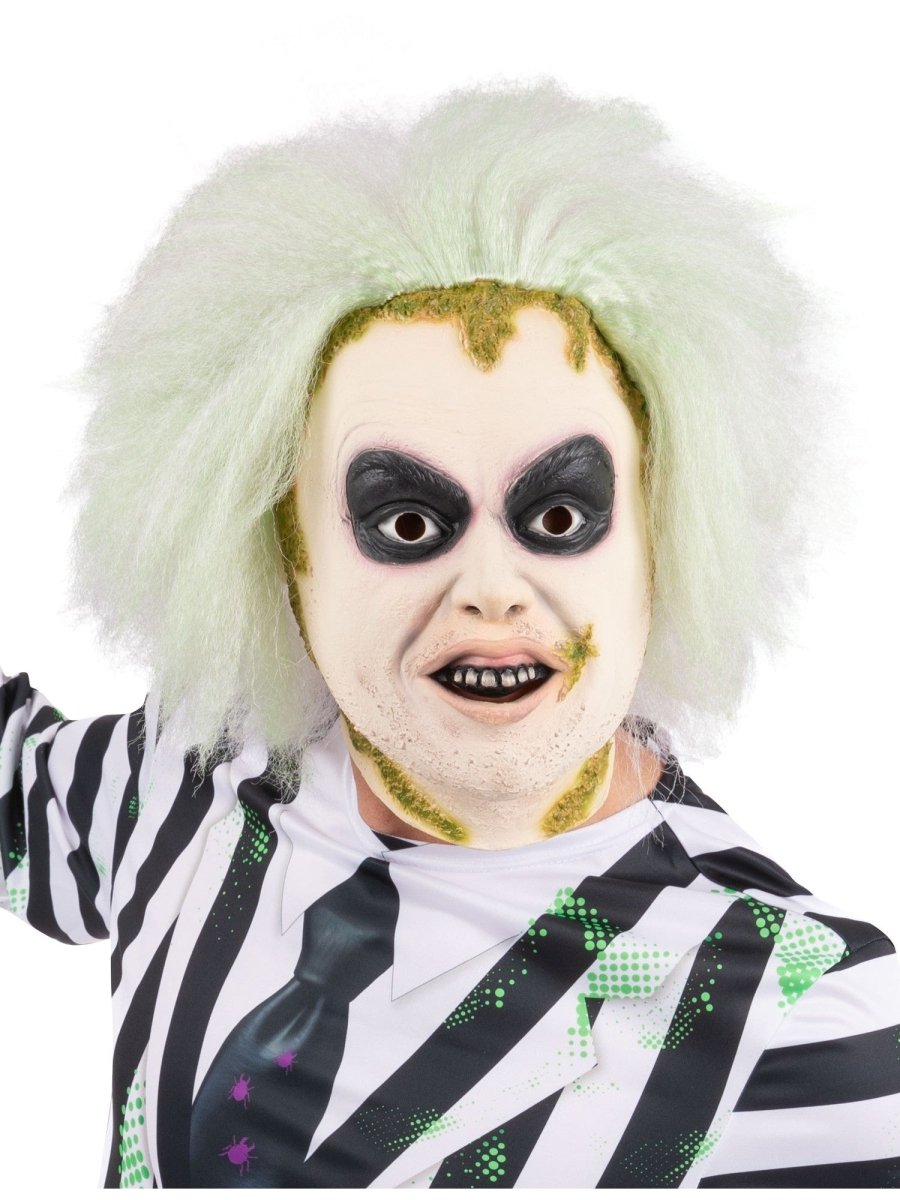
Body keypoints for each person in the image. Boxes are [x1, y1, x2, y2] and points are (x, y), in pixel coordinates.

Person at [2, 82, 898, 1188]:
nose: (492, 591)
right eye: (408, 523)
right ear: (287, 552)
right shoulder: (185, 781)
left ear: (660, 542)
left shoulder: (796, 1022)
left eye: (558, 517)